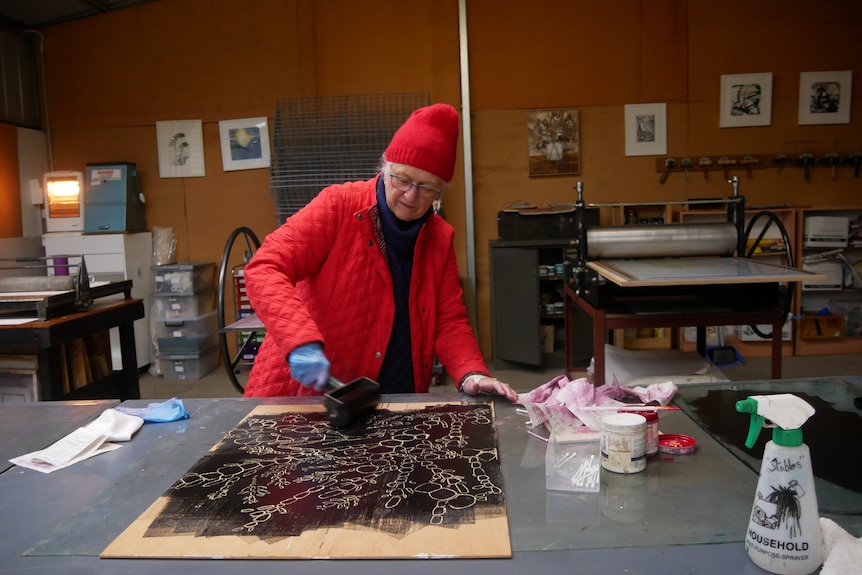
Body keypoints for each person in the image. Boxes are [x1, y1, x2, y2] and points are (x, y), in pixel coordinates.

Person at [242, 103, 518, 402]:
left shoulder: (438, 238)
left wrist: (471, 373)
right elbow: (266, 267)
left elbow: (448, 319)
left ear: (440, 192)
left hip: (397, 396)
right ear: (385, 168)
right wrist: (299, 341)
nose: (411, 196)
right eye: (402, 179)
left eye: (427, 188)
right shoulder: (339, 206)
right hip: (308, 395)